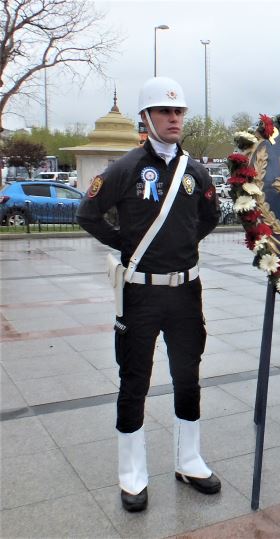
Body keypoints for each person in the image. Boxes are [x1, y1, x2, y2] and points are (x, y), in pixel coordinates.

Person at [76, 77, 221, 512]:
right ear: (146, 117)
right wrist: (127, 244)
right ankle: (133, 474)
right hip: (140, 295)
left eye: (178, 112)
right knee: (134, 380)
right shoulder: (125, 168)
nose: (174, 119)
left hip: (185, 292)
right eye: (164, 112)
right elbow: (88, 213)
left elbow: (210, 216)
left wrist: (179, 246)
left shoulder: (195, 171)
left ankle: (189, 460)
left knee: (188, 377)